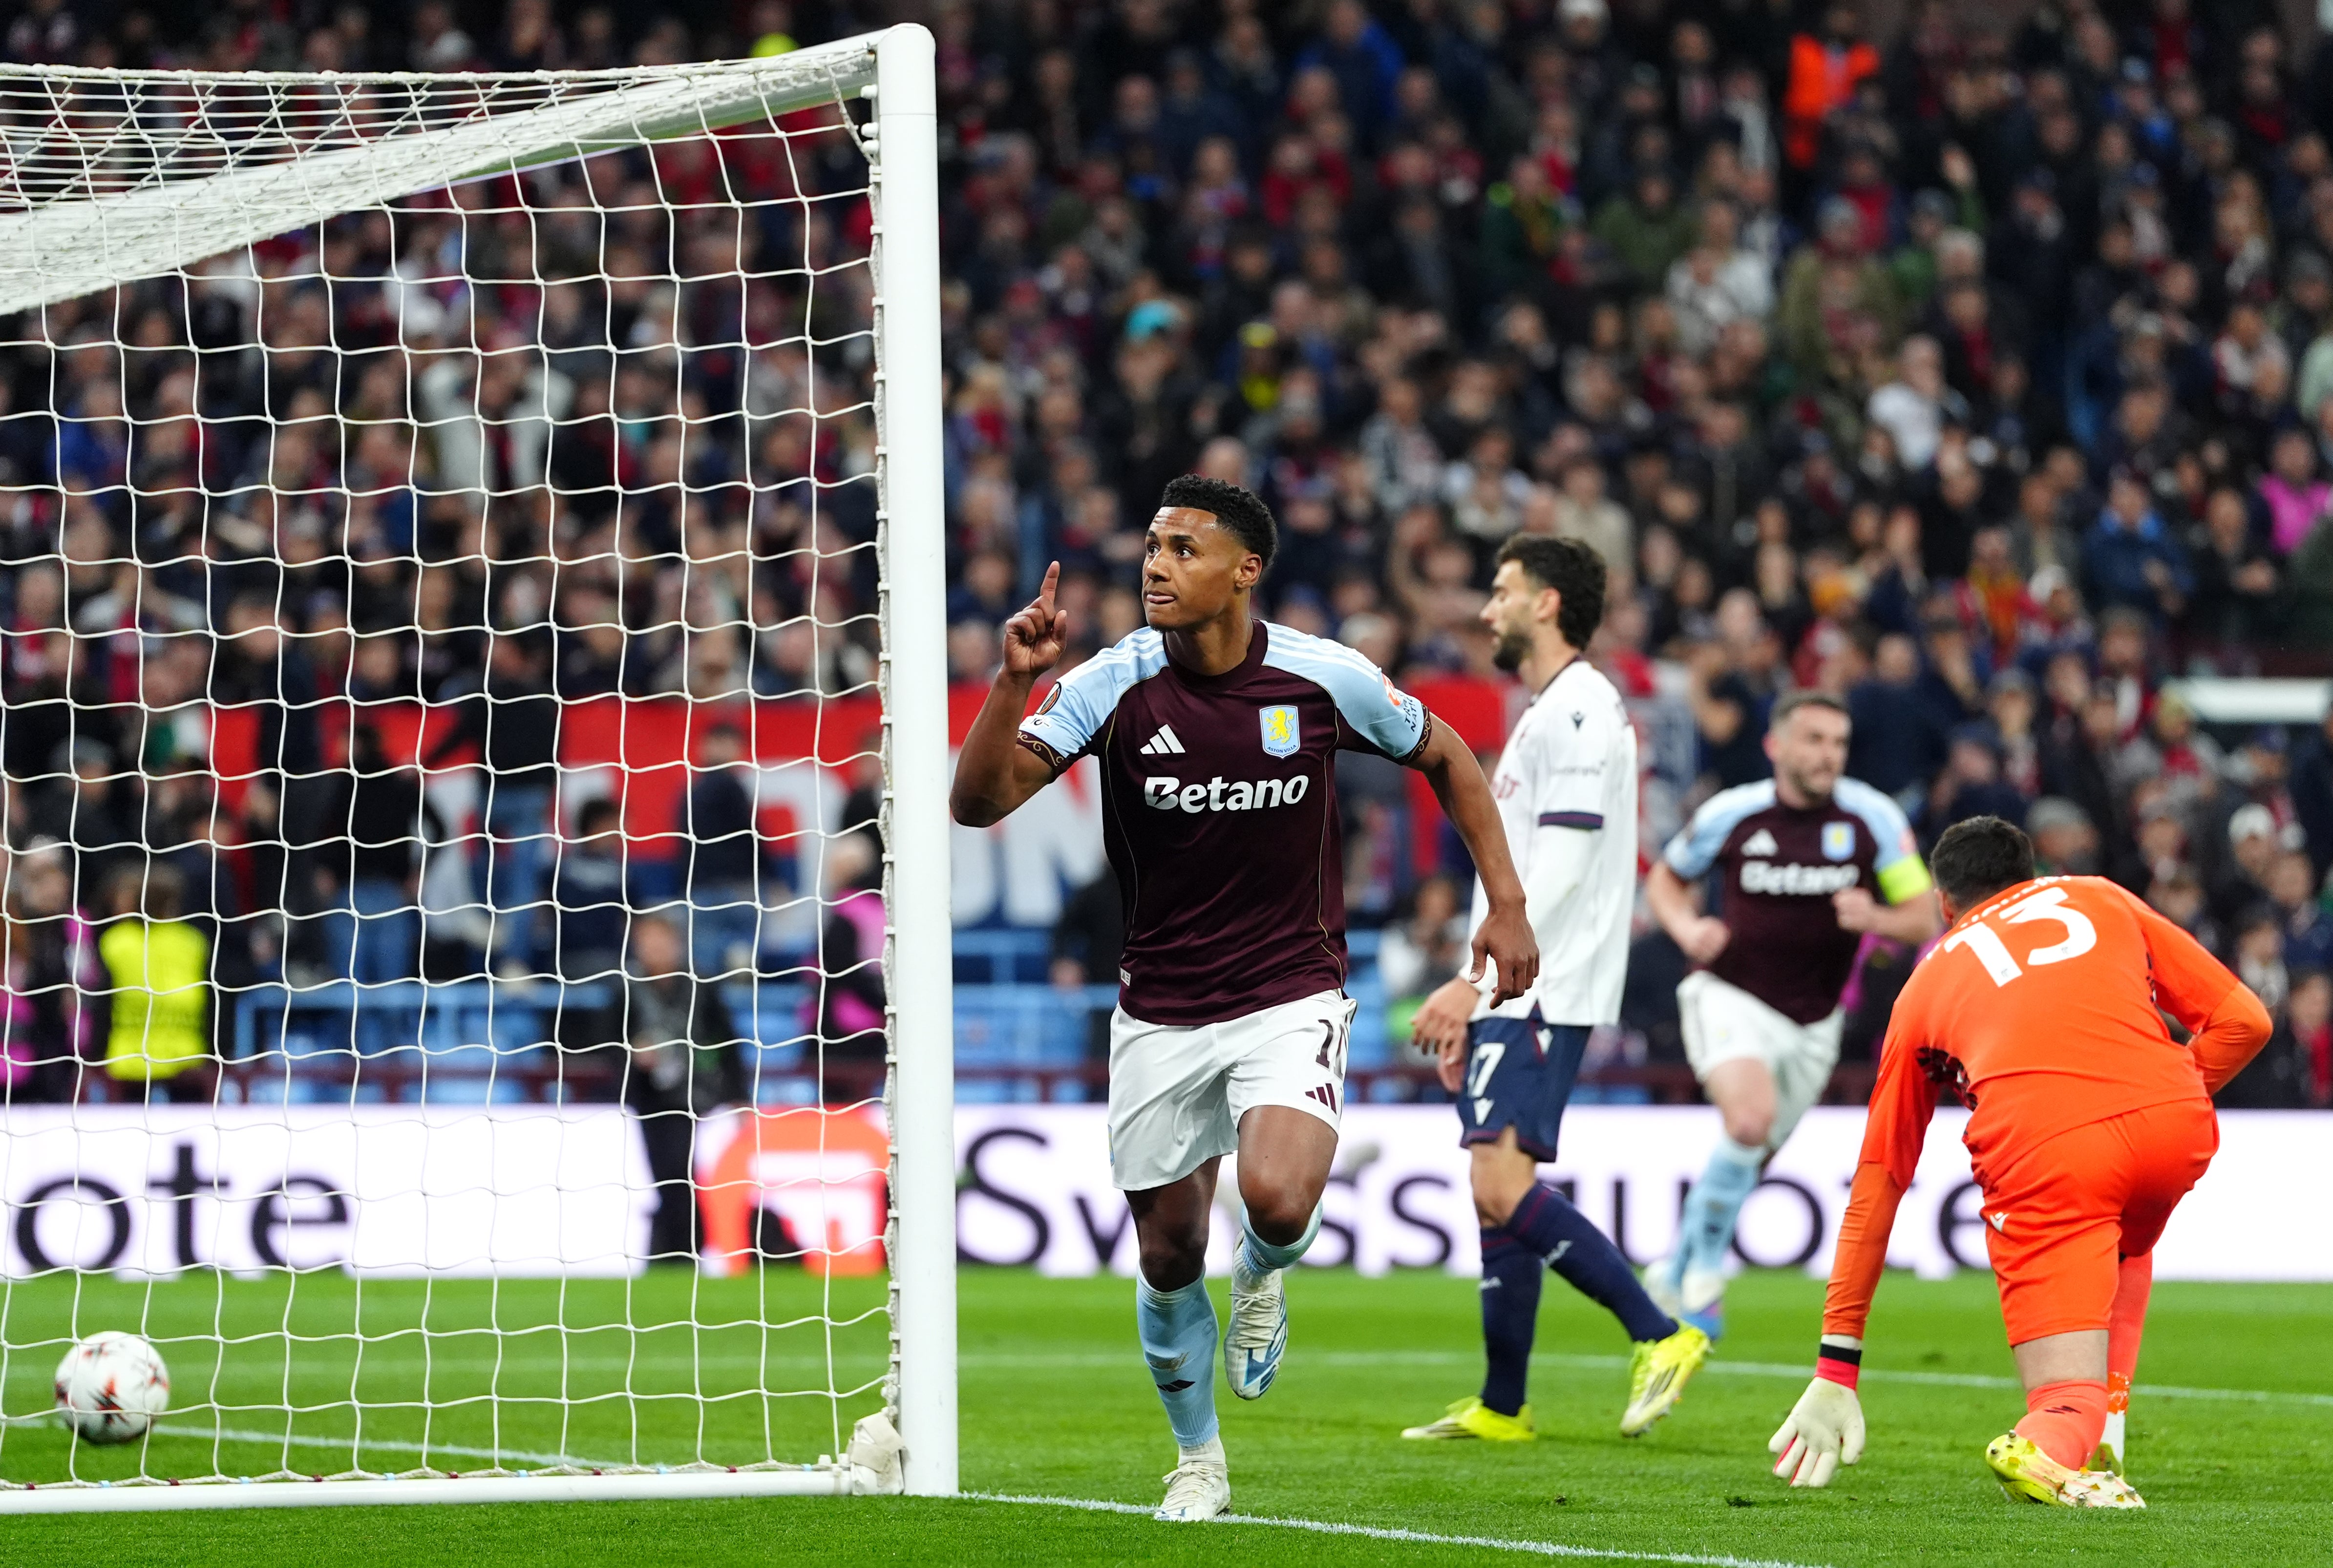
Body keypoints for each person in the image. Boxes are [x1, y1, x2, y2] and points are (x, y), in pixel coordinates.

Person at [949, 474, 1537, 1523]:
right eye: (1152, 546)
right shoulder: (1110, 683)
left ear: (1244, 571)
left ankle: (1263, 1274)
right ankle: (1198, 1461)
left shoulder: (1324, 677)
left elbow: (1447, 755)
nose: (1157, 566)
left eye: (1184, 549)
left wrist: (1507, 903)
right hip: (1160, 1009)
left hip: (1289, 991)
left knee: (1276, 1198)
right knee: (1170, 1251)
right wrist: (1011, 686)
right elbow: (978, 803)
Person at [1768, 817, 2270, 1507]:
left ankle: (2055, 1438)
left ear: (1945, 903)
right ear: (2028, 875)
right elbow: (2247, 1021)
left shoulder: (1922, 989)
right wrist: (2168, 1092)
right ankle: (2107, 1441)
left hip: (2049, 1158)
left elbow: (1882, 1179)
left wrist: (1837, 1364)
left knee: (2065, 1400)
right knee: (2126, 1239)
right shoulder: (2100, 895)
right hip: (2174, 1129)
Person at [1401, 535, 1710, 1445]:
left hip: (1540, 985)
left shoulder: (1578, 708)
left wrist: (1475, 986)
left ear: (1546, 603)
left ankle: (1661, 1332)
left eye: (1502, 592)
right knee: (1494, 1186)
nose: (1486, 610)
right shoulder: (1552, 711)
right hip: (1522, 985)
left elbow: (1565, 865)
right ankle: (1504, 1405)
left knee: (1500, 1185)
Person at [1642, 692, 1942, 1335]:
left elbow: (1924, 916)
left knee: (1751, 1155)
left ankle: (1673, 1267)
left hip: (1816, 1019)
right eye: (1814, 740)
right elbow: (1665, 879)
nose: (1828, 754)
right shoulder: (1733, 813)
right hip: (1731, 993)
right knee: (1748, 1122)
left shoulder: (1873, 818)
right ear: (1776, 746)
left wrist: (1876, 917)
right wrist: (1688, 928)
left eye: (1838, 742)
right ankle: (1704, 1281)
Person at [621, 912, 739, 1264]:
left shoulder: (701, 986)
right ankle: (675, 1247)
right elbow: (605, 1042)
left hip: (697, 1095)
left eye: (660, 940)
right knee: (665, 1172)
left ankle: (686, 1246)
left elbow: (727, 1040)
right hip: (649, 1097)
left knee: (681, 1170)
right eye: (647, 942)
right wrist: (634, 1051)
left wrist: (738, 1095)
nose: (654, 949)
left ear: (676, 943)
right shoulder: (627, 989)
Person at [96, 863, 216, 1104]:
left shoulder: (114, 942)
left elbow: (102, 1003)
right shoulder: (193, 941)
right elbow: (211, 1000)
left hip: (129, 1056)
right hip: (186, 1053)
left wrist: (95, 1052)